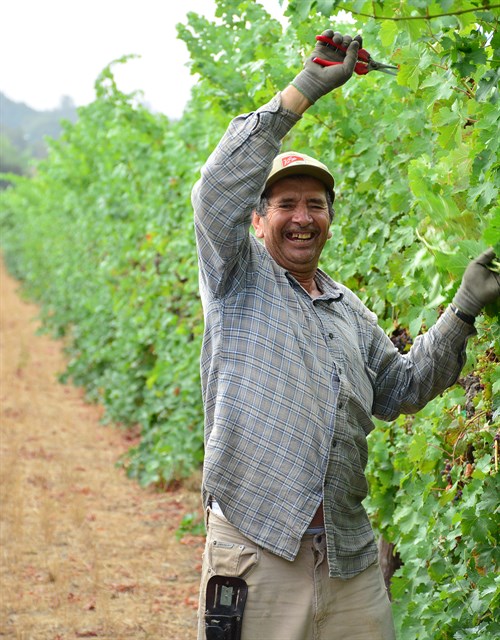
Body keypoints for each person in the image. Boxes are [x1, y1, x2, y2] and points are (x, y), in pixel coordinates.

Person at [192, 28, 500, 640]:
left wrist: (462, 310)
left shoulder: (347, 309)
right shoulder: (235, 278)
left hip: (348, 555)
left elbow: (401, 389)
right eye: (285, 205)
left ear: (330, 218)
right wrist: (303, 91)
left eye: (316, 204)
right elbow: (214, 190)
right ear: (257, 221)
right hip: (257, 552)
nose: (302, 218)